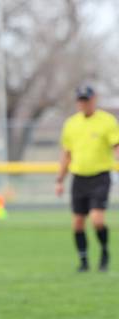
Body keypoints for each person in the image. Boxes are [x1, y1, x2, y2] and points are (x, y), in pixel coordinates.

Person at [55, 85, 119, 272]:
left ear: (93, 100)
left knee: (97, 220)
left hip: (100, 176)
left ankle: (104, 252)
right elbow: (66, 154)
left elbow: (116, 146)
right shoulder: (71, 124)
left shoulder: (107, 121)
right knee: (77, 223)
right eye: (80, 100)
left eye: (86, 100)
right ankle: (83, 261)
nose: (83, 103)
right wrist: (60, 180)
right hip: (79, 178)